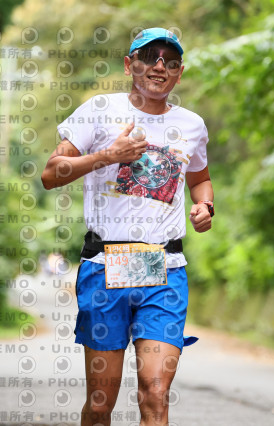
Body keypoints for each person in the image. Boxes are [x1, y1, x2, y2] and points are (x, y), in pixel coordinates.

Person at [41, 28, 214, 426]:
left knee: (155, 393)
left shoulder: (192, 125)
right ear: (128, 64)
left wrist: (205, 205)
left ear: (179, 73)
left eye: (170, 61)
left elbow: (200, 178)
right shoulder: (99, 109)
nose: (159, 66)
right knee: (101, 401)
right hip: (105, 266)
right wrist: (107, 155)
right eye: (150, 57)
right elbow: (51, 173)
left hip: (164, 271)